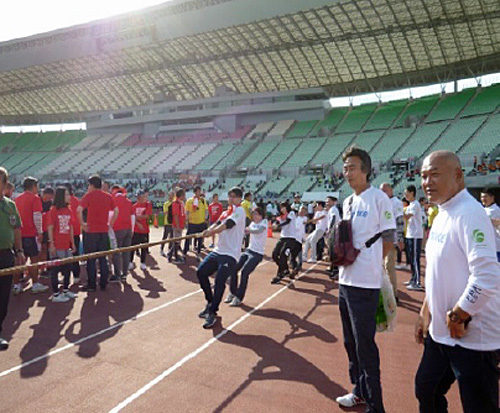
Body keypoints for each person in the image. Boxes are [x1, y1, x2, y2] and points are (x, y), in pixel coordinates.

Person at [415, 151, 500, 413]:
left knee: (479, 407)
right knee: (426, 389)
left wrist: (459, 315)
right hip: (442, 334)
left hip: (473, 337)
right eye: (423, 176)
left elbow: (486, 276)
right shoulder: (442, 214)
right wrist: (425, 310)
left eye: (435, 174)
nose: (427, 182)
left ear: (458, 176)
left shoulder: (470, 213)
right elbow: (439, 270)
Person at [335, 146, 395, 412]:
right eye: (345, 168)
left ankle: (376, 404)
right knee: (350, 342)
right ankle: (358, 391)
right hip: (344, 281)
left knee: (365, 346)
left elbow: (389, 239)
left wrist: (373, 266)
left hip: (365, 284)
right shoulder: (347, 201)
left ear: (366, 170)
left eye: (352, 168)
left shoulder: (378, 199)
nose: (347, 173)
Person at [197, 187, 246, 329]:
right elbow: (217, 223)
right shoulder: (226, 212)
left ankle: (212, 312)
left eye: (234, 196)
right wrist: (208, 230)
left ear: (239, 198)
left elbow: (227, 225)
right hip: (218, 251)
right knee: (201, 272)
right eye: (230, 196)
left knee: (219, 280)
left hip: (231, 254)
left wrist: (212, 231)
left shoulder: (240, 211)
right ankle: (210, 302)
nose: (231, 199)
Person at [77, 175, 118, 292]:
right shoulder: (108, 196)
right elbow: (116, 210)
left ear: (91, 185)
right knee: (102, 257)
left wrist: (82, 224)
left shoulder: (88, 196)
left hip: (91, 231)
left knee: (91, 259)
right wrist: (110, 224)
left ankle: (92, 284)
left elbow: (79, 210)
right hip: (103, 231)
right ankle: (103, 283)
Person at [0, 167, 25, 350]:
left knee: (3, 297)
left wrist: (19, 251)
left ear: (4, 184)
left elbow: (16, 229)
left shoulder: (10, 205)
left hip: (6, 255)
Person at [225, 207, 268, 306]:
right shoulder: (252, 224)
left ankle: (239, 297)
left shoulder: (264, 222)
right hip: (249, 250)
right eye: (254, 214)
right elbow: (244, 233)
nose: (255, 216)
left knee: (244, 272)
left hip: (257, 254)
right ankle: (232, 292)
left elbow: (259, 231)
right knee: (234, 269)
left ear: (262, 215)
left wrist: (249, 230)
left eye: (257, 214)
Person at [13, 176, 48, 294]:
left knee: (19, 260)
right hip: (30, 233)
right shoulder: (35, 199)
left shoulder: (17, 199)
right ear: (33, 186)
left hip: (19, 234)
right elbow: (37, 216)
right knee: (34, 259)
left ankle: (17, 284)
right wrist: (40, 232)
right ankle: (35, 283)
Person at [47, 187, 77, 303]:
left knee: (68, 268)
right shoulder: (53, 210)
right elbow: (50, 227)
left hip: (66, 245)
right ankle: (55, 294)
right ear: (61, 196)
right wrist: (52, 244)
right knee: (55, 270)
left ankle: (65, 289)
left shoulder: (68, 210)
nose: (69, 197)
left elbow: (70, 228)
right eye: (67, 195)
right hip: (57, 244)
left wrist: (72, 243)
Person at [379, 183, 403, 301]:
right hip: (380, 240)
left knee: (389, 266)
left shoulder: (396, 202)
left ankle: (394, 294)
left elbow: (399, 221)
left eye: (384, 190)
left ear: (390, 190)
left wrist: (399, 238)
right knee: (381, 266)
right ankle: (384, 291)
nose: (382, 193)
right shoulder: (381, 201)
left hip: (391, 240)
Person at [270, 202, 301, 284]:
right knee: (274, 255)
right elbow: (277, 221)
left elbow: (287, 221)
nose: (282, 209)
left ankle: (279, 275)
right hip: (282, 238)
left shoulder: (291, 213)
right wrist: (274, 223)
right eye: (281, 208)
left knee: (283, 254)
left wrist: (278, 226)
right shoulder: (280, 216)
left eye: (284, 207)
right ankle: (285, 269)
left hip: (291, 239)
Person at [403, 185, 424, 291]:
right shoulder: (410, 205)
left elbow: (407, 217)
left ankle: (417, 282)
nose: (405, 195)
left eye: (406, 193)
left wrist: (397, 211)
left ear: (412, 193)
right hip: (410, 234)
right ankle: (413, 278)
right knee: (411, 259)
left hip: (416, 235)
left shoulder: (415, 204)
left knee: (415, 259)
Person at [111, 185, 133, 282]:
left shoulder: (113, 200)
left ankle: (117, 274)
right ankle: (124, 274)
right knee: (126, 252)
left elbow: (110, 214)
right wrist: (132, 229)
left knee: (116, 253)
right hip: (128, 228)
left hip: (117, 229)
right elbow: (132, 216)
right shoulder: (128, 201)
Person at [183, 186, 207, 262]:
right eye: (198, 191)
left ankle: (198, 252)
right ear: (195, 192)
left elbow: (206, 210)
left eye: (200, 191)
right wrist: (186, 220)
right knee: (188, 237)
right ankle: (185, 252)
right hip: (192, 223)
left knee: (200, 239)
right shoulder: (189, 201)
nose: (199, 193)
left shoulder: (203, 200)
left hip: (201, 223)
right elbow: (187, 211)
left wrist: (205, 219)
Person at [130, 190, 153, 271]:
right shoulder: (133, 206)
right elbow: (132, 217)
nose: (139, 198)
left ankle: (143, 263)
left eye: (141, 196)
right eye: (138, 196)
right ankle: (130, 262)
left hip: (144, 230)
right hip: (136, 230)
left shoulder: (148, 205)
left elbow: (147, 216)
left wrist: (136, 218)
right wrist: (138, 222)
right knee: (132, 247)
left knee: (144, 248)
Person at [65, 183, 81, 284]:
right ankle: (76, 275)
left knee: (65, 255)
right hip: (74, 231)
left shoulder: (63, 201)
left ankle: (66, 275)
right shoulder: (76, 201)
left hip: (66, 232)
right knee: (75, 255)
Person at [480, 187, 500, 262]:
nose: (483, 199)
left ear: (492, 197)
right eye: (482, 197)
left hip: (496, 247)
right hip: (486, 246)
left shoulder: (496, 210)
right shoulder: (483, 210)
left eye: (485, 197)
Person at [169, 188, 186, 264]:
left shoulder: (181, 203)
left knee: (177, 241)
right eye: (184, 195)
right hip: (177, 225)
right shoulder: (175, 203)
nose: (185, 196)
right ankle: (175, 257)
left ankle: (170, 254)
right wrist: (178, 226)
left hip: (180, 225)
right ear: (181, 195)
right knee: (176, 241)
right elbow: (175, 215)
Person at [326, 196, 341, 277]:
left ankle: (335, 270)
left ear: (333, 202)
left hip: (335, 231)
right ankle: (332, 267)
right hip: (335, 231)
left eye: (328, 201)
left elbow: (333, 218)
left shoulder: (333, 209)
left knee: (333, 251)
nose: (326, 203)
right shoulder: (332, 209)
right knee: (331, 250)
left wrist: (330, 230)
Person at [160, 191, 174, 258]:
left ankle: (169, 249)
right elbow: (166, 212)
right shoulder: (166, 203)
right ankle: (161, 249)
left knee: (171, 237)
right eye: (170, 195)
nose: (171, 196)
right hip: (167, 222)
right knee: (165, 237)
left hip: (173, 223)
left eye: (172, 195)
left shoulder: (174, 203)